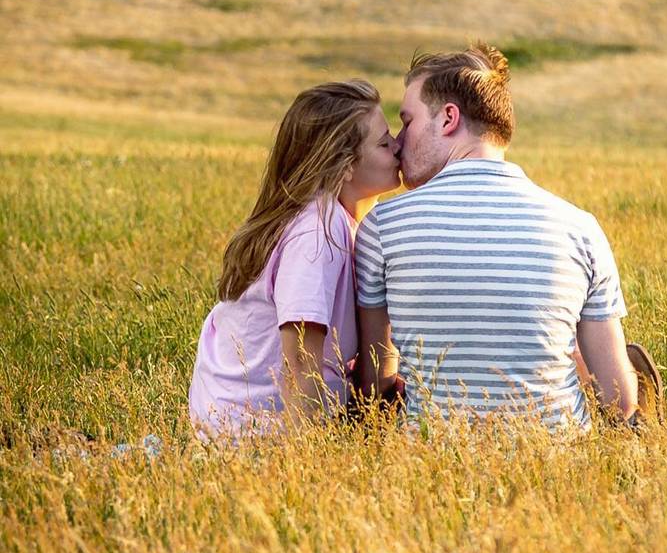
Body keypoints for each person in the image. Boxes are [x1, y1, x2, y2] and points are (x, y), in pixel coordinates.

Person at [355, 43, 640, 433]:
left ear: (448, 118)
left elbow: (376, 386)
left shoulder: (383, 226)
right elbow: (619, 402)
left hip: (427, 474)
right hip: (558, 472)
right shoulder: (581, 227)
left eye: (408, 120)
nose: (400, 141)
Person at [189, 80, 401, 439]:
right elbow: (301, 362)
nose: (399, 147)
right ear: (344, 166)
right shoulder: (318, 234)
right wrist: (305, 467)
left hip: (251, 422)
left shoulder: (337, 221)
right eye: (383, 143)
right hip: (255, 434)